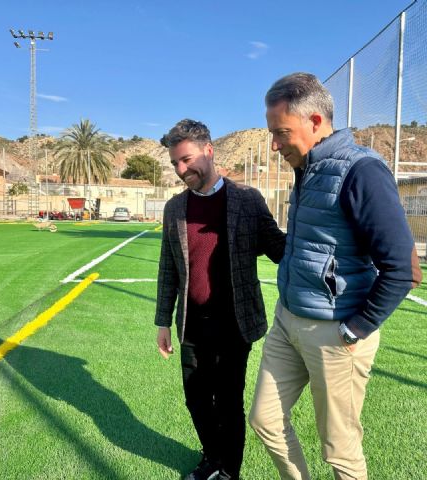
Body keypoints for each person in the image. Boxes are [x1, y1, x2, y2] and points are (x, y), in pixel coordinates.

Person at [249, 72, 422, 480]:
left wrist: (355, 329)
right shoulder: (307, 168)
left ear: (314, 122)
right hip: (288, 321)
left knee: (339, 450)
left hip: (336, 334)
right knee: (265, 421)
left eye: (281, 132)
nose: (275, 145)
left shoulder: (362, 172)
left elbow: (403, 270)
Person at [155, 119, 286, 480]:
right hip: (192, 324)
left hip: (235, 324)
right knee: (196, 399)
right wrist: (163, 321)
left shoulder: (247, 200)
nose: (182, 170)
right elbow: (169, 268)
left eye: (187, 159)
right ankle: (212, 458)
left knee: (228, 403)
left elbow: (277, 247)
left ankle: (229, 471)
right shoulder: (175, 209)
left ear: (209, 150)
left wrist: (315, 238)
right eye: (175, 163)